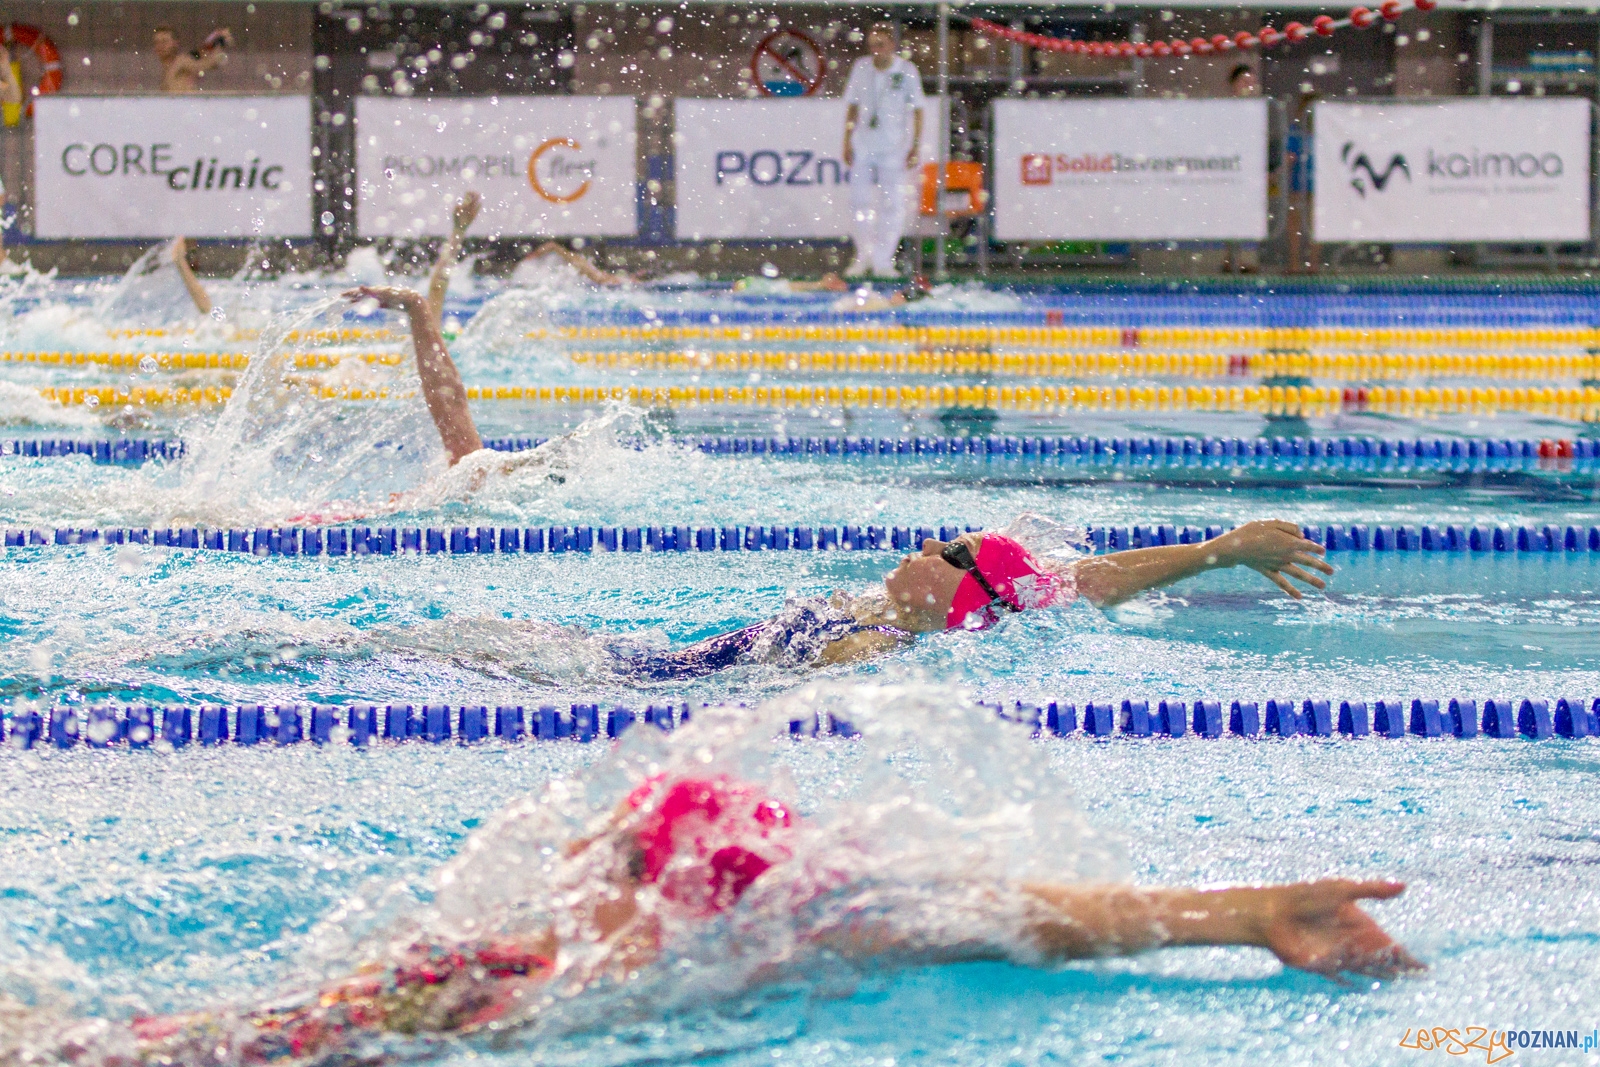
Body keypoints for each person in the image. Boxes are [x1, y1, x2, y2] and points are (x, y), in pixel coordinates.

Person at [41, 769, 1420, 1066]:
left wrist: (1250, 915)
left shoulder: (750, 919)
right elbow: (1009, 916)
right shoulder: (518, 974)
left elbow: (1007, 912)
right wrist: (1247, 915)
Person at [842, 23, 925, 278]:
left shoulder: (907, 71)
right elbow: (852, 107)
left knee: (893, 204)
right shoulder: (861, 68)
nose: (876, 50)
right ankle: (863, 256)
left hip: (894, 148)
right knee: (859, 202)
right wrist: (846, 140)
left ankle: (883, 260)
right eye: (872, 45)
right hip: (863, 146)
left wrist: (915, 146)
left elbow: (918, 110)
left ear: (891, 45)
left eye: (880, 44)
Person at [515, 240, 634, 287]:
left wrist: (538, 252)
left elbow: (553, 246)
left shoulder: (577, 262)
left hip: (609, 283)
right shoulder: (578, 262)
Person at [153, 25, 233, 92]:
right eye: (157, 42)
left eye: (164, 41)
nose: (160, 46)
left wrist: (221, 43)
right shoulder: (166, 68)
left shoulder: (181, 61)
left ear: (175, 43)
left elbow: (209, 64)